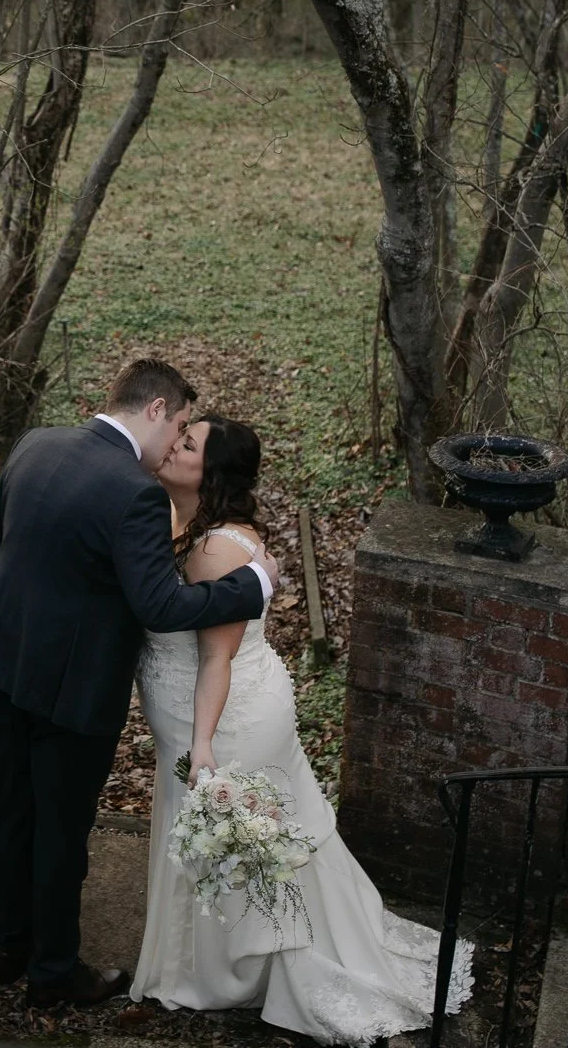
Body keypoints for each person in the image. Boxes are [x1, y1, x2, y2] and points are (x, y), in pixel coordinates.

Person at [130, 414, 474, 1043]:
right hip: (197, 715)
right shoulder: (180, 522)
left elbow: (216, 656)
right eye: (178, 435)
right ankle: (211, 957)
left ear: (213, 473)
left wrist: (204, 744)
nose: (172, 445)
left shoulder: (213, 550)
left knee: (246, 843)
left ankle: (263, 968)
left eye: (187, 443)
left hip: (224, 720)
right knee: (228, 840)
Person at [0, 359, 278, 1008]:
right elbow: (161, 605)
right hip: (70, 690)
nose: (177, 443)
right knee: (61, 830)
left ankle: (12, 944)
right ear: (157, 409)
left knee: (14, 809)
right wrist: (253, 585)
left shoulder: (37, 443)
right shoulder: (132, 490)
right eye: (182, 425)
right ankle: (52, 975)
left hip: (1, 659)